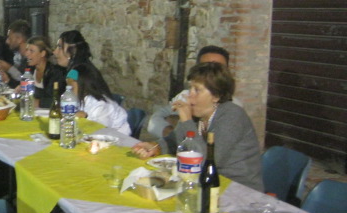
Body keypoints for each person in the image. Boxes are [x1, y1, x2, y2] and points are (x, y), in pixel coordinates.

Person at [132, 62, 263, 191]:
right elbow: (174, 142)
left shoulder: (232, 116)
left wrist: (187, 121)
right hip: (204, 183)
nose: (190, 95)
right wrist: (155, 147)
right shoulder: (197, 115)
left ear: (216, 96)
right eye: (190, 88)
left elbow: (205, 161)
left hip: (238, 188)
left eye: (197, 90)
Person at [147, 45, 241, 139]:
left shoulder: (232, 111)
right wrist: (167, 137)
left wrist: (187, 122)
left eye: (217, 69)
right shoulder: (187, 97)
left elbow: (206, 148)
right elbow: (156, 120)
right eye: (205, 68)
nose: (209, 73)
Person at [67, 63, 131, 135]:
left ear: (83, 86)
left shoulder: (101, 105)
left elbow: (101, 130)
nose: (68, 90)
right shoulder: (80, 99)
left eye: (72, 87)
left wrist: (85, 117)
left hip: (118, 137)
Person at [24, 36, 66, 108]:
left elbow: (54, 99)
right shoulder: (30, 69)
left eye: (31, 51)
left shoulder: (55, 72)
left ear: (42, 53)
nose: (26, 54)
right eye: (27, 50)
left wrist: (38, 102)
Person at [0, 19, 31, 87]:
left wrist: (8, 68)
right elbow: (17, 83)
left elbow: (26, 81)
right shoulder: (18, 57)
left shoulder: (31, 59)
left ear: (19, 39)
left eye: (9, 38)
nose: (7, 41)